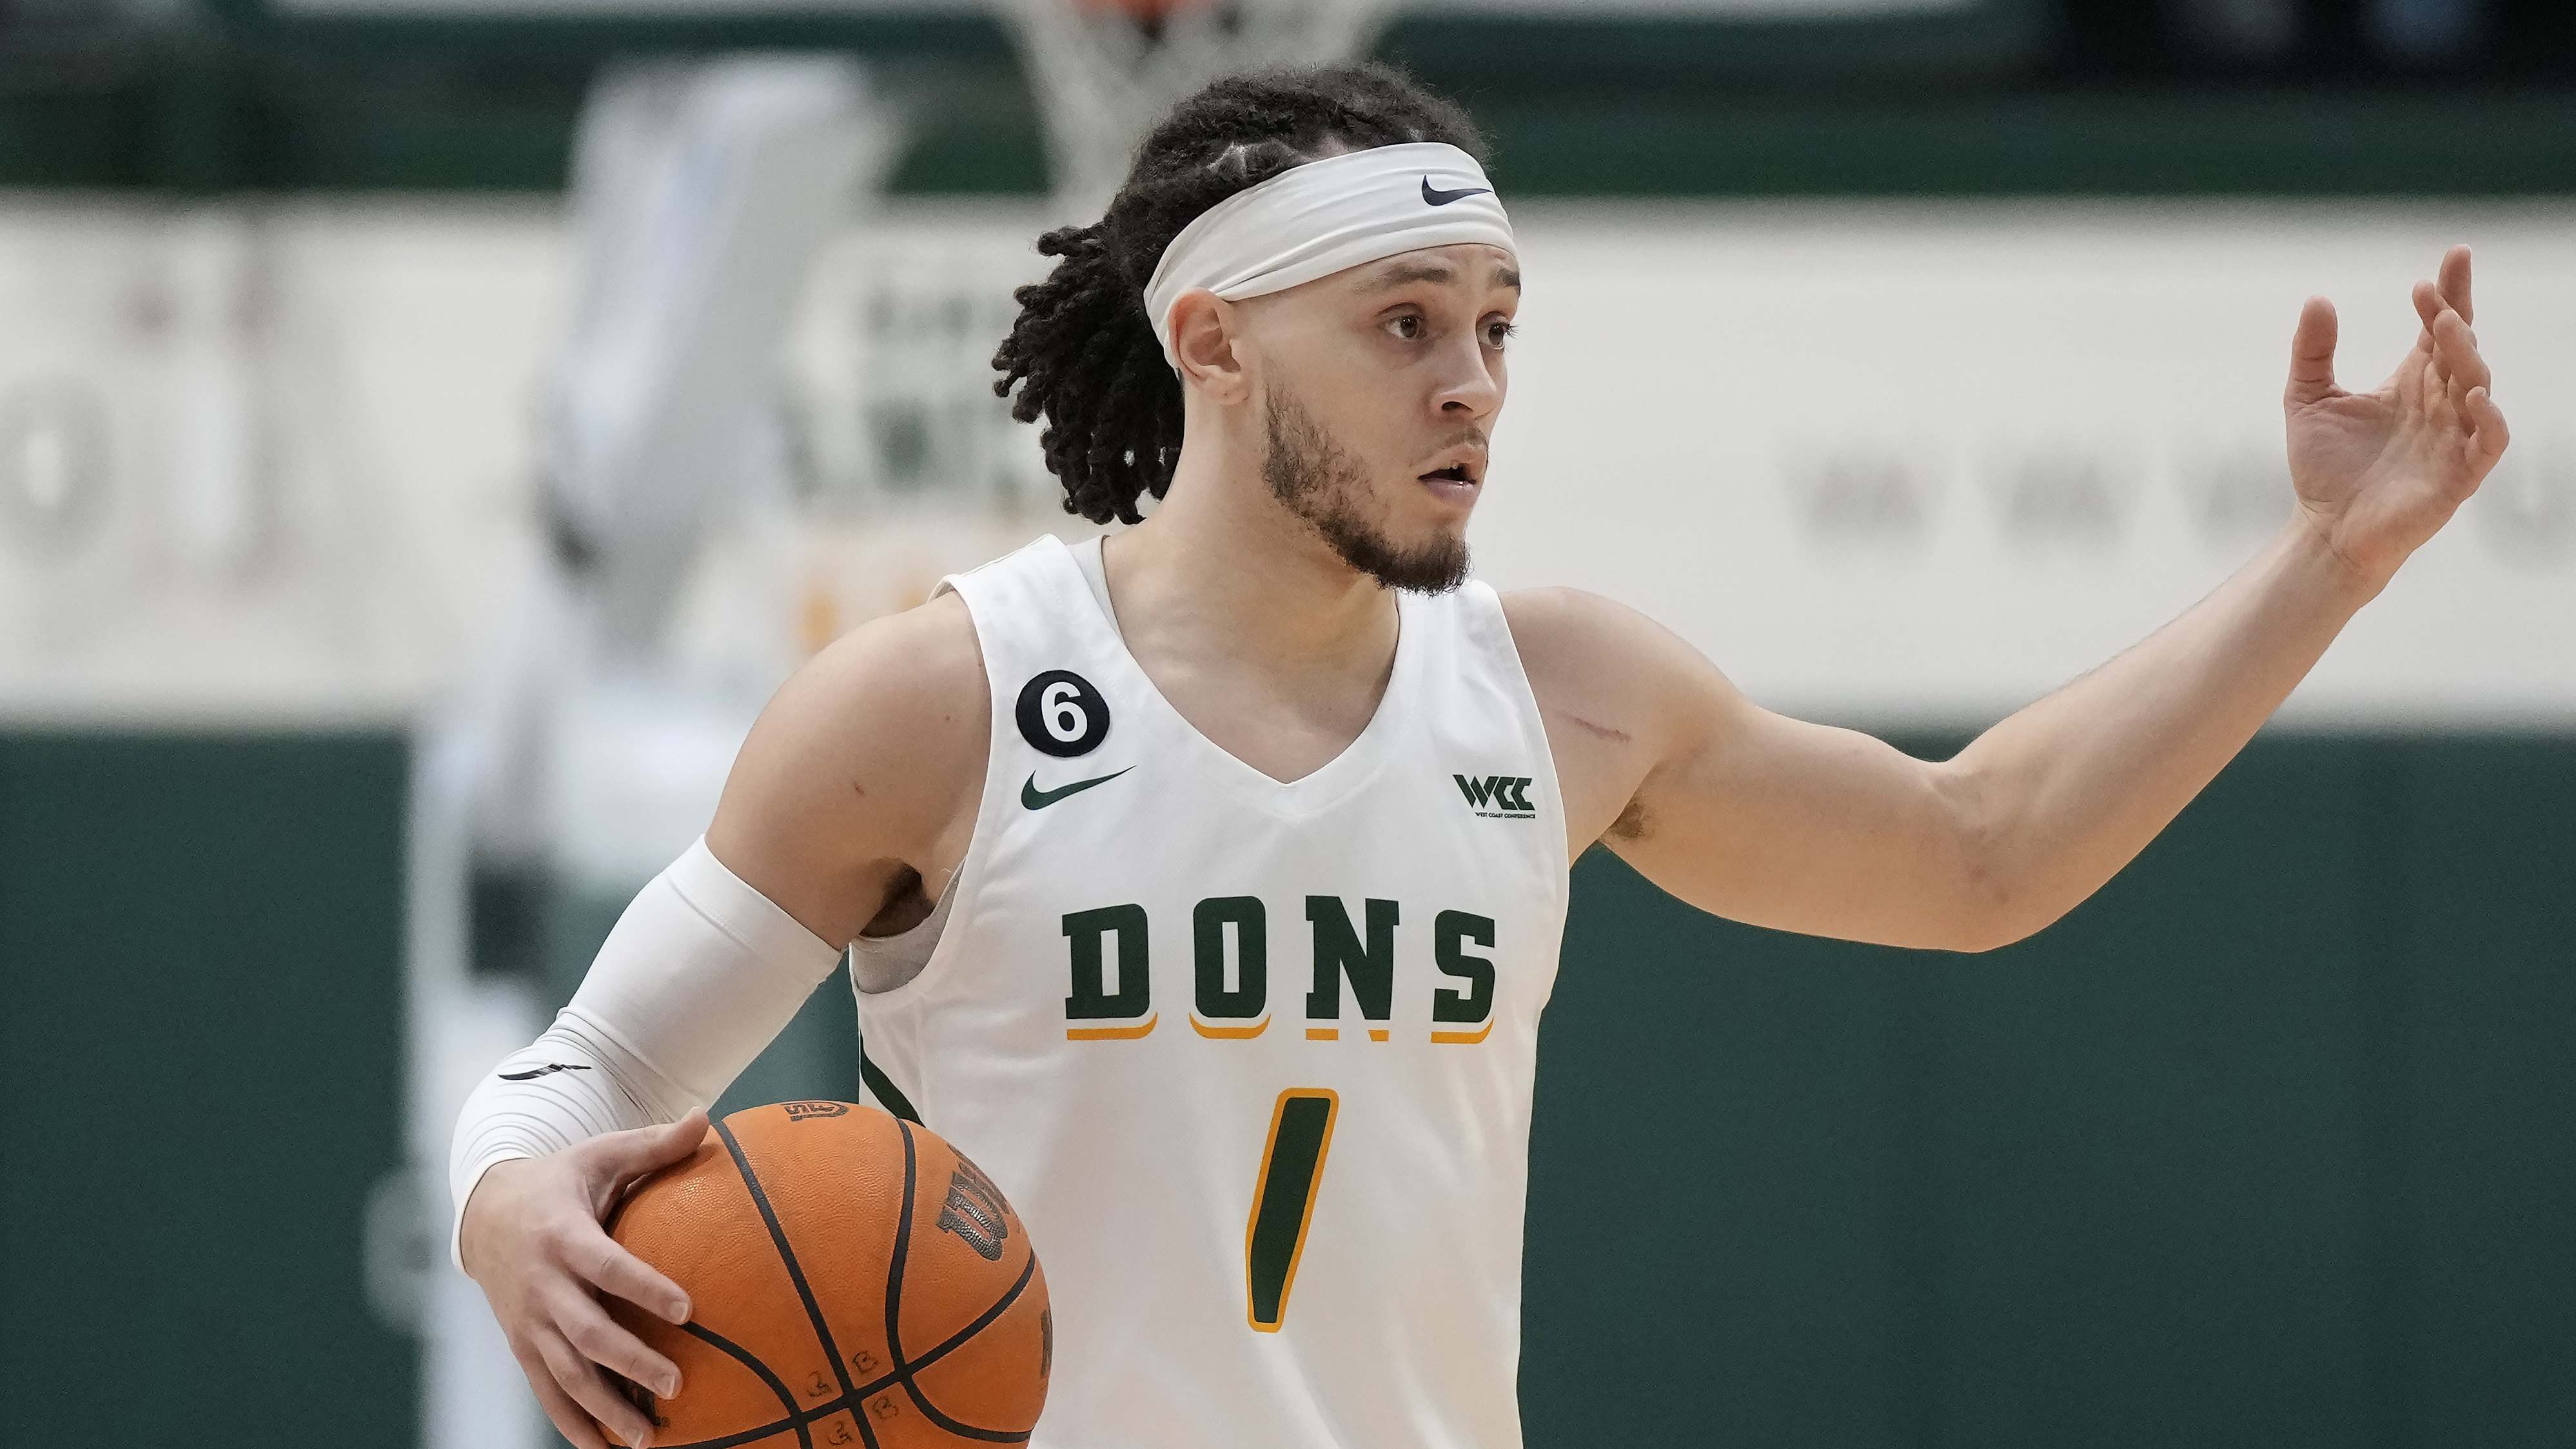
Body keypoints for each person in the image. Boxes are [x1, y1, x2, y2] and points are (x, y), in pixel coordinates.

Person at [451, 63, 2507, 1449]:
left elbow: (1979, 855)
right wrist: (508, 1212)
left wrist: (2328, 562)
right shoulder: (941, 700)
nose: (1473, 384)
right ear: (1212, 338)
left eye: (1497, 324)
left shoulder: (1565, 693)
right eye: (1404, 321)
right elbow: (583, 1079)